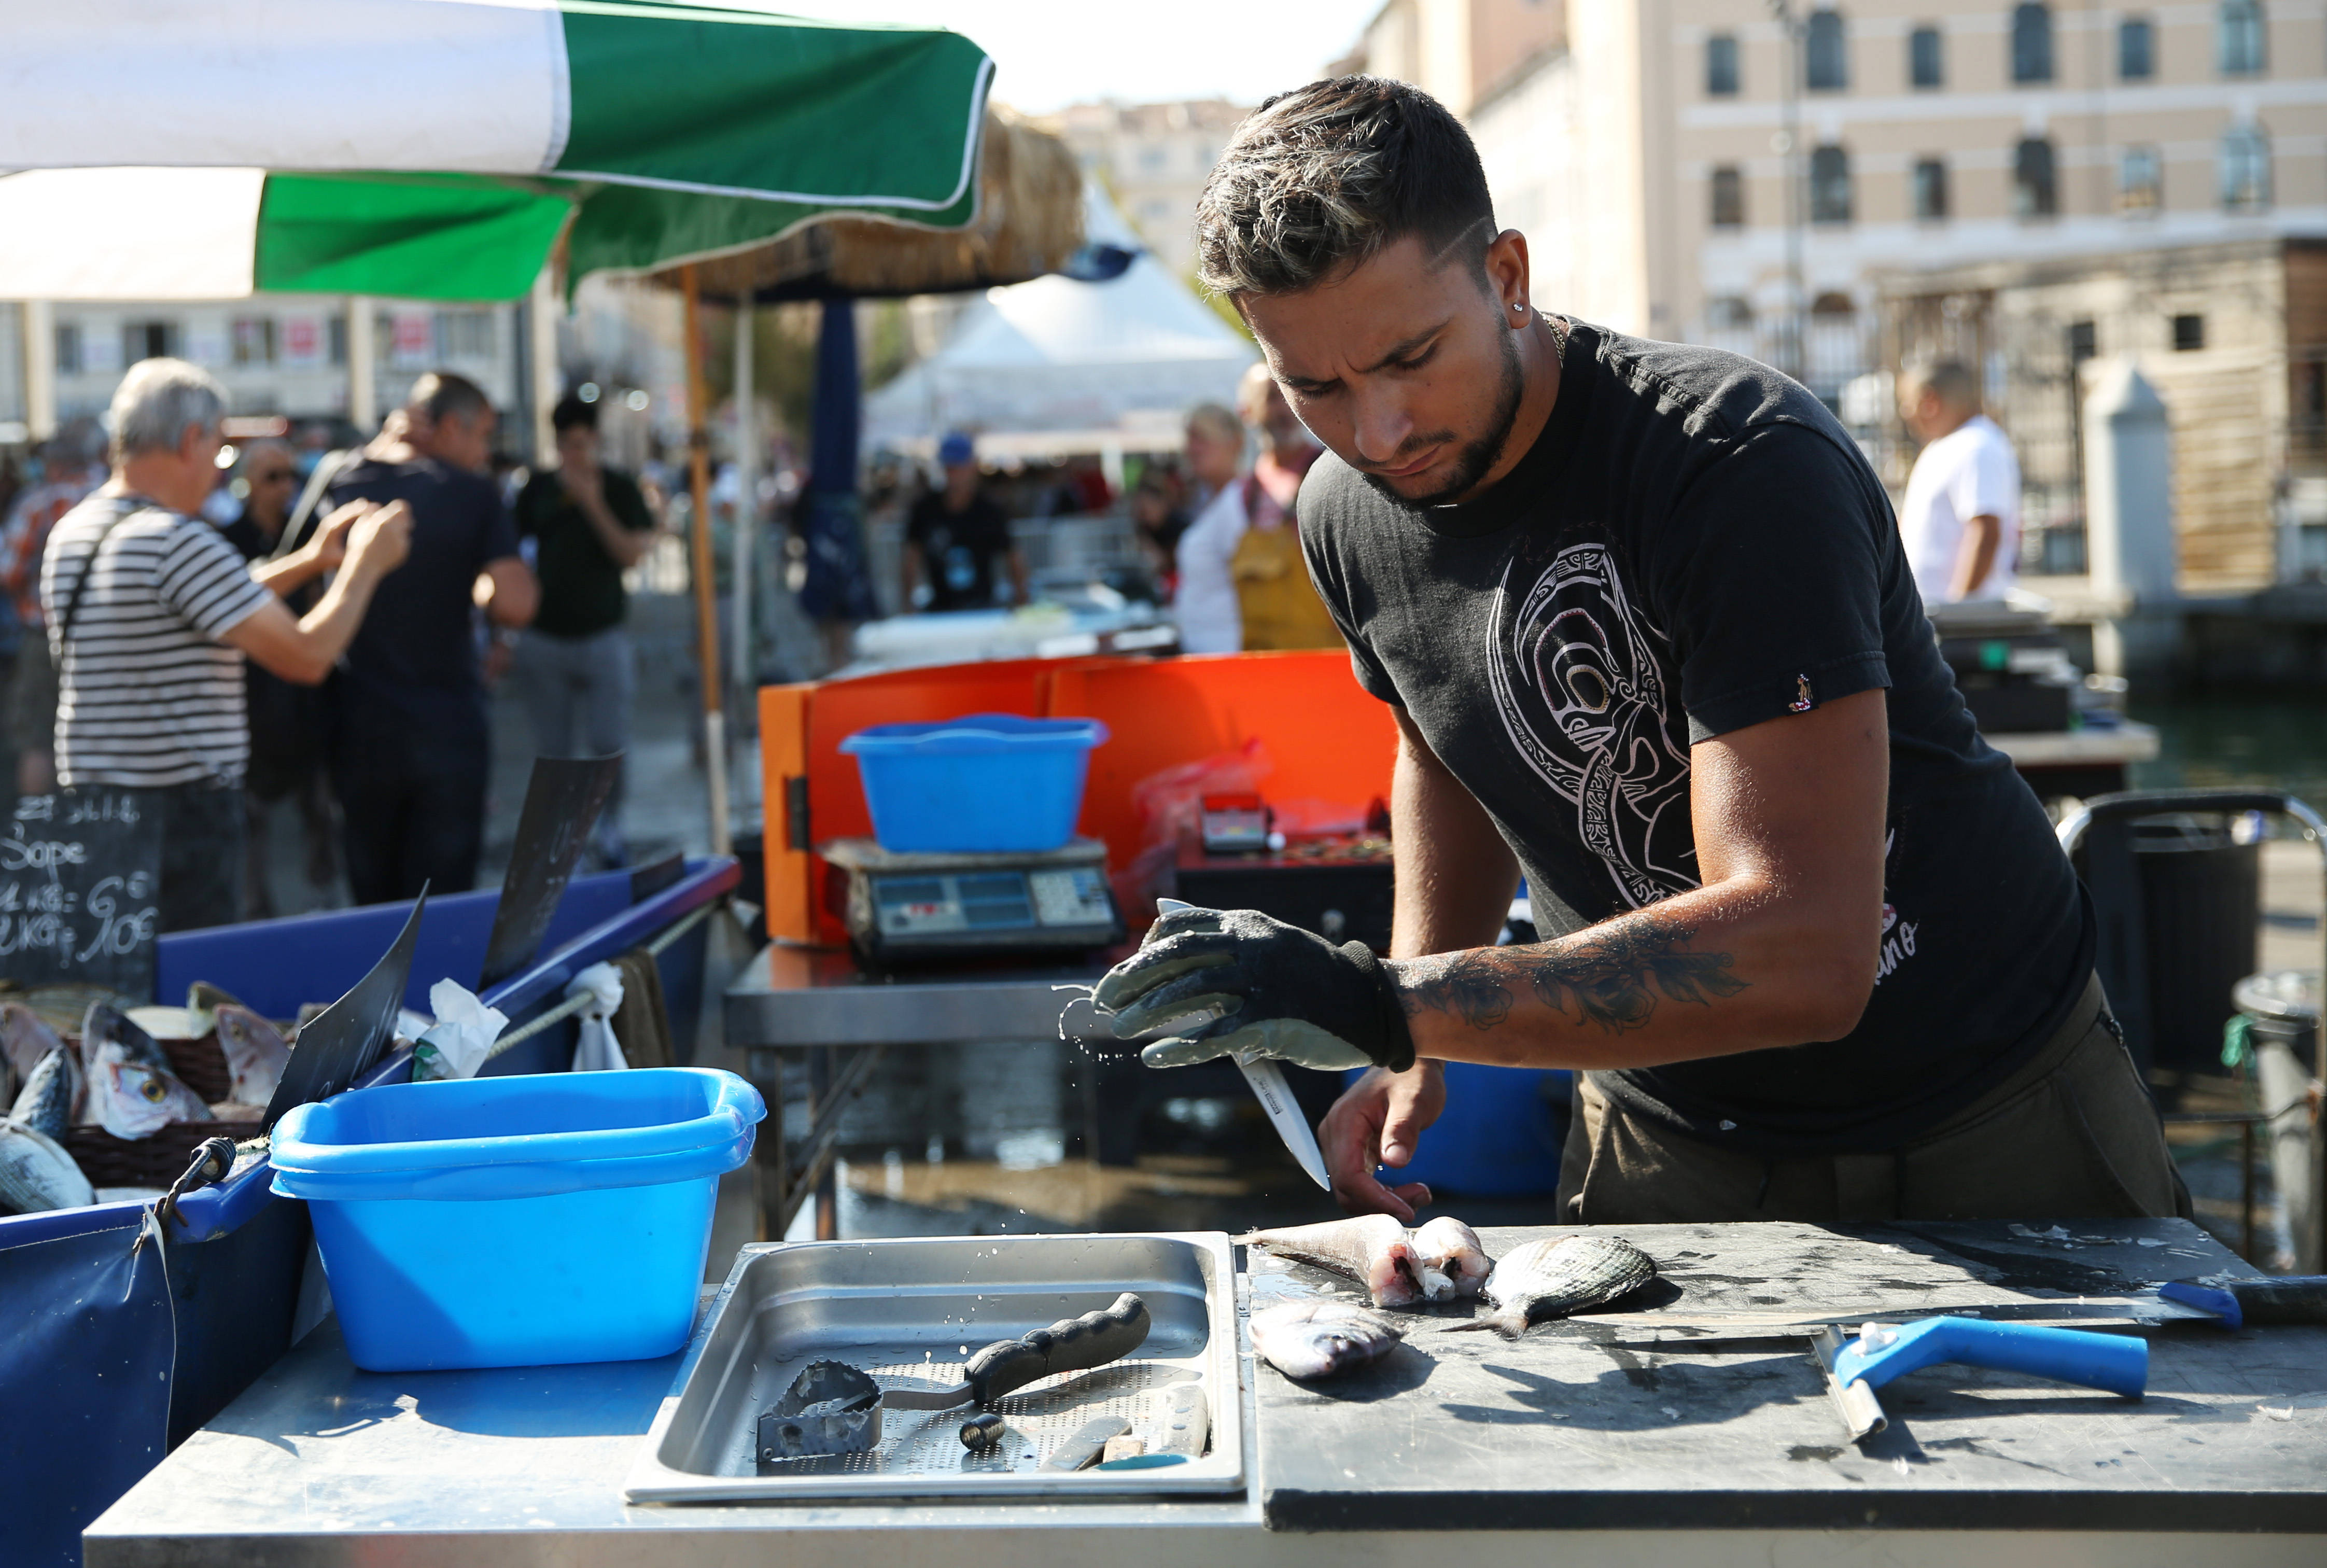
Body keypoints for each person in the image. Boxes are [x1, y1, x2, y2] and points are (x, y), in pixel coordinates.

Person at [1095, 77, 2179, 1226]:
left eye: (1412, 357)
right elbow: (1444, 752)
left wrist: (1396, 999)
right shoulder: (1343, 514)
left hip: (1989, 1100)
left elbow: (1807, 954)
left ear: (1506, 277)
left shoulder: (1735, 465)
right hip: (1667, 1128)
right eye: (1315, 387)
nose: (1379, 432)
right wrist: (1418, 1040)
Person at [41, 359, 410, 931]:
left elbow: (197, 603)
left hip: (95, 803)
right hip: (180, 815)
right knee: (182, 1003)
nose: (219, 470)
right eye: (219, 450)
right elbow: (307, 657)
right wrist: (367, 564)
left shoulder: (78, 529)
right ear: (192, 439)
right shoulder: (177, 541)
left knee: (117, 986)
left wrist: (311, 560)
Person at [317, 372, 537, 905]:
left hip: (358, 728)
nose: (485, 451)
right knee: (440, 908)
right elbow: (517, 602)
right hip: (446, 728)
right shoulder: (470, 494)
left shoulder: (344, 480)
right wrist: (483, 590)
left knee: (372, 905)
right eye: (481, 435)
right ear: (445, 427)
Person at [511, 393, 658, 867]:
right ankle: (561, 838)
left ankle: (610, 826)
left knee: (608, 740)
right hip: (544, 639)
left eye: (579, 443)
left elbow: (632, 554)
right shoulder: (535, 490)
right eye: (563, 445)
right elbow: (513, 554)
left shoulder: (617, 488)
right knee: (554, 752)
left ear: (594, 440)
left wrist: (593, 504)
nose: (571, 455)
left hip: (603, 636)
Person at [216, 440, 340, 917]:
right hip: (251, 692)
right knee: (250, 816)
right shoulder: (227, 539)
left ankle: (322, 894)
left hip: (305, 693)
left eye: (291, 476)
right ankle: (256, 908)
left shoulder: (309, 530)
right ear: (248, 484)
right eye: (273, 477)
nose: (285, 487)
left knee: (320, 805)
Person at [1174, 366, 1339, 653]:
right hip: (1261, 660)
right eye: (1272, 397)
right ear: (1246, 411)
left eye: (1292, 394)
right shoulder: (1243, 494)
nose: (1285, 409)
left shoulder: (1331, 474)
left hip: (1327, 657)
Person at [1, 418, 107, 797]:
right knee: (106, 737)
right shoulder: (115, 496)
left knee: (39, 739)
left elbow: (8, 571)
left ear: (54, 461)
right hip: (110, 636)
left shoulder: (39, 501)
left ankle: (40, 838)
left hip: (46, 634)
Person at [1898, 359, 2021, 606]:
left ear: (1929, 402)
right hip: (1935, 619)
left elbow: (1985, 532)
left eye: (1907, 403)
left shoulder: (1977, 447)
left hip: (1961, 624)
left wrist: (1959, 609)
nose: (1905, 412)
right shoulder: (1946, 446)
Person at [902, 432, 1026, 612]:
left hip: (984, 607)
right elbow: (911, 559)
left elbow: (1013, 557)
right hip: (941, 609)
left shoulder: (990, 510)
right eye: (949, 467)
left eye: (958, 466)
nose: (953, 473)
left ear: (972, 466)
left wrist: (1022, 601)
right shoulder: (924, 510)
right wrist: (907, 605)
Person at [1172, 402, 1247, 653]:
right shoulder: (1214, 501)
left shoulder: (1238, 502)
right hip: (1210, 652)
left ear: (1234, 443)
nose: (1191, 449)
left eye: (1201, 438)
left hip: (1230, 656)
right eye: (1190, 439)